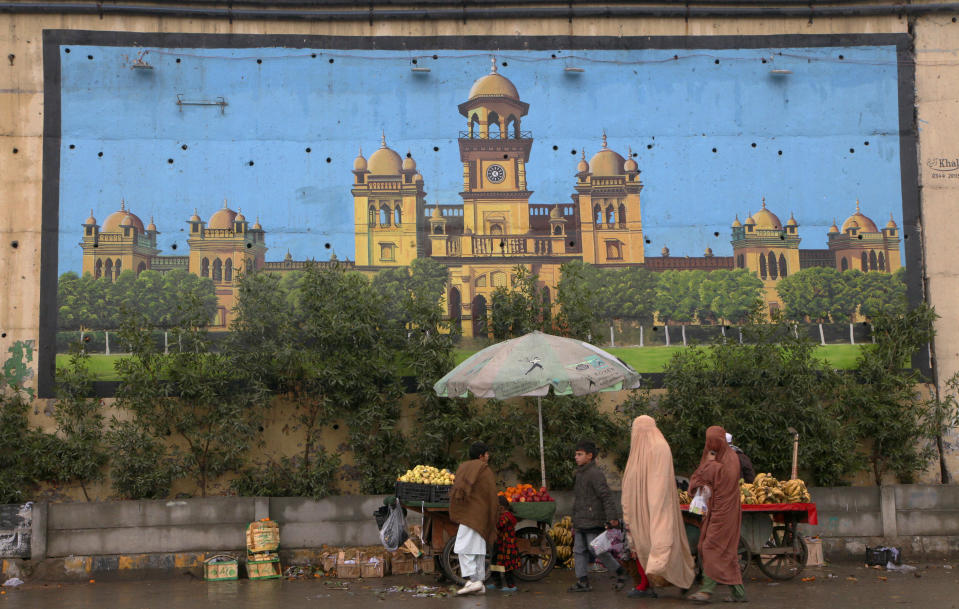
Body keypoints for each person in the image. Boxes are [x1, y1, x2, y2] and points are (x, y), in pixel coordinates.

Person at [621, 415, 696, 599]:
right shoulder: (638, 450)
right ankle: (644, 585)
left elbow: (659, 482)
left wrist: (657, 512)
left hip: (656, 507)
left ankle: (682, 579)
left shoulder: (660, 448)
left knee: (663, 543)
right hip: (639, 508)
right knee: (639, 546)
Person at [687, 426, 747, 603]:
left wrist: (710, 464)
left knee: (710, 547)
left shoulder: (731, 460)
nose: (710, 445)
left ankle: (706, 590)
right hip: (714, 510)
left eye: (714, 441)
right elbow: (699, 477)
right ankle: (739, 593)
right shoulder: (716, 457)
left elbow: (714, 479)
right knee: (726, 552)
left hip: (725, 512)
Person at [568, 440, 627, 592]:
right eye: (576, 454)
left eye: (580, 454)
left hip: (593, 519)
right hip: (581, 520)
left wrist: (612, 517)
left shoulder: (595, 474)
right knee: (579, 550)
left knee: (596, 549)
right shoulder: (580, 473)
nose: (576, 457)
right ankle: (582, 581)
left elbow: (606, 496)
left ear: (590, 456)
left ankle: (620, 571)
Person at [449, 442, 499, 596]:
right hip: (481, 515)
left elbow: (457, 488)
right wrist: (493, 513)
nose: (488, 456)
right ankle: (478, 581)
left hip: (469, 514)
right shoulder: (485, 470)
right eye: (486, 454)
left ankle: (475, 581)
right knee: (474, 548)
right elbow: (491, 494)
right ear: (481, 456)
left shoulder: (463, 467)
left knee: (465, 547)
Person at [487, 495, 520, 593]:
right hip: (501, 544)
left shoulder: (506, 516)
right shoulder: (504, 515)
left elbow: (499, 525)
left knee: (507, 567)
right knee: (495, 562)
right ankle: (497, 582)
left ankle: (511, 586)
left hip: (507, 546)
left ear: (501, 507)